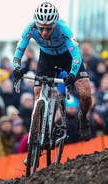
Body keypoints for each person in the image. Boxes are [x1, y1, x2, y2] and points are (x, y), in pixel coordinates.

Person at [12, 2, 92, 141]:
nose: (44, 32)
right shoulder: (30, 28)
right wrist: (17, 68)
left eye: (49, 28)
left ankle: (83, 117)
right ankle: (34, 138)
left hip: (68, 58)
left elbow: (76, 56)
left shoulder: (63, 28)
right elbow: (19, 52)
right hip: (47, 59)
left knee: (85, 95)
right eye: (41, 28)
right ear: (36, 24)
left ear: (55, 24)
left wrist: (72, 75)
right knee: (38, 96)